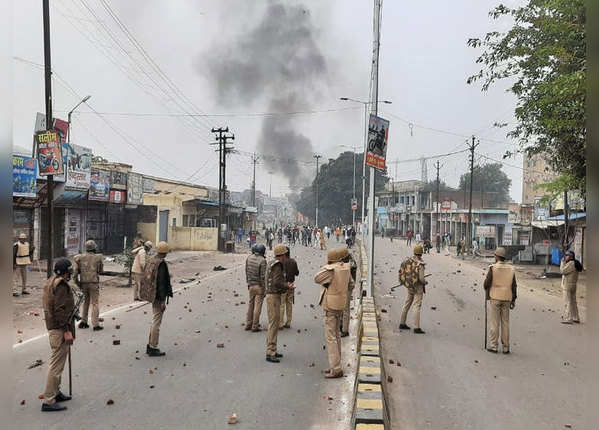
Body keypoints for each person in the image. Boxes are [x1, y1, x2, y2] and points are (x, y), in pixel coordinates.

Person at [41, 258, 76, 412]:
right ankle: (48, 400)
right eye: (69, 271)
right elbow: (60, 310)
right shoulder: (61, 286)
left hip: (55, 327)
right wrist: (67, 331)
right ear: (65, 272)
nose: (71, 274)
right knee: (56, 365)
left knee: (60, 363)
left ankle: (56, 392)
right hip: (60, 329)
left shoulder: (52, 281)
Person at [314, 249, 353, 378]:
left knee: (330, 337)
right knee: (336, 336)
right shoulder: (346, 269)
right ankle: (336, 365)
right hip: (340, 304)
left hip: (330, 306)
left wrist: (328, 267)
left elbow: (317, 278)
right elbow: (351, 285)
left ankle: (336, 368)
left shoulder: (331, 271)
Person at [140, 241, 173, 357]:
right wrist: (162, 301)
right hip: (158, 296)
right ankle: (153, 347)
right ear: (165, 253)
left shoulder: (151, 260)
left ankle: (150, 345)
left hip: (151, 294)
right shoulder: (161, 264)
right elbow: (161, 284)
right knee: (156, 321)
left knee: (155, 319)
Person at [483, 247, 517, 354]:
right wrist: (513, 299)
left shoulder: (492, 268)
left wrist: (486, 287)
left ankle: (494, 346)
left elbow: (486, 283)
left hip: (495, 297)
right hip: (507, 297)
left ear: (497, 257)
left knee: (495, 323)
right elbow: (514, 285)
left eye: (494, 256)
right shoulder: (511, 269)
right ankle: (506, 347)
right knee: (505, 323)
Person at [73, 240, 104, 331]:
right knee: (95, 303)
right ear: (94, 247)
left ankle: (84, 322)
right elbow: (101, 271)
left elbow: (75, 273)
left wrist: (78, 283)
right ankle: (95, 324)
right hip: (94, 282)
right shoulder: (98, 258)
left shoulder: (79, 258)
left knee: (86, 302)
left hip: (83, 283)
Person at [265, 244, 288, 363]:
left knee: (272, 323)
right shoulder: (278, 265)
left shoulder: (270, 263)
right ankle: (270, 351)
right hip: (274, 296)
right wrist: (287, 286)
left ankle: (272, 349)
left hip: (270, 295)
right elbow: (277, 282)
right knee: (274, 324)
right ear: (282, 255)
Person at [399, 244, 427, 334]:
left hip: (410, 285)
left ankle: (402, 323)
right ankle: (416, 327)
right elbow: (421, 279)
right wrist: (425, 282)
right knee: (416, 305)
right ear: (421, 253)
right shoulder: (420, 264)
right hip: (418, 287)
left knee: (407, 303)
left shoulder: (409, 261)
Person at [245, 244, 267, 332]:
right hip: (259, 286)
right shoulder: (262, 261)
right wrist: (264, 289)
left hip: (251, 285)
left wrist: (248, 283)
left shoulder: (249, 258)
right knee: (258, 306)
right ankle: (255, 326)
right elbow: (263, 277)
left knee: (250, 305)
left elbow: (246, 272)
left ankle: (248, 324)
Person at [560, 250, 582, 324]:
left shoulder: (571, 263)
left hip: (567, 285)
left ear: (570, 256)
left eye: (567, 255)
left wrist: (562, 262)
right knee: (573, 302)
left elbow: (562, 271)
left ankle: (568, 318)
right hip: (573, 284)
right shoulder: (576, 263)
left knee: (567, 302)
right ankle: (576, 317)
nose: (565, 257)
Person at [280, 246, 299, 329]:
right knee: (289, 304)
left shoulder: (280, 262)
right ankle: (288, 322)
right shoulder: (293, 261)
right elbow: (297, 273)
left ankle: (280, 323)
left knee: (281, 304)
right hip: (291, 285)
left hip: (282, 286)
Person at [339, 248, 357, 337]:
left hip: (348, 288)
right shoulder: (348, 261)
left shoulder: (350, 264)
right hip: (344, 287)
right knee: (342, 308)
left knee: (345, 309)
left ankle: (345, 330)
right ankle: (341, 325)